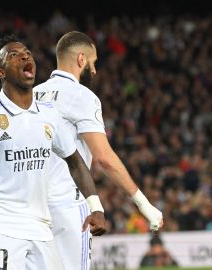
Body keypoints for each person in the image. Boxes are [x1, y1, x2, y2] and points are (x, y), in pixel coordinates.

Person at [0, 35, 107, 270]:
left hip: (41, 229)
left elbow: (76, 162)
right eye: (13, 55)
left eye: (27, 52)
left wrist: (96, 207)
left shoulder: (49, 114)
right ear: (1, 72)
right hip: (2, 229)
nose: (24, 56)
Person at [34, 30, 164, 270]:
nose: (94, 71)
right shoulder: (82, 96)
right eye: (93, 63)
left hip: (30, 208)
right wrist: (144, 204)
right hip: (67, 207)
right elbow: (104, 158)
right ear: (81, 59)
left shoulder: (29, 95)